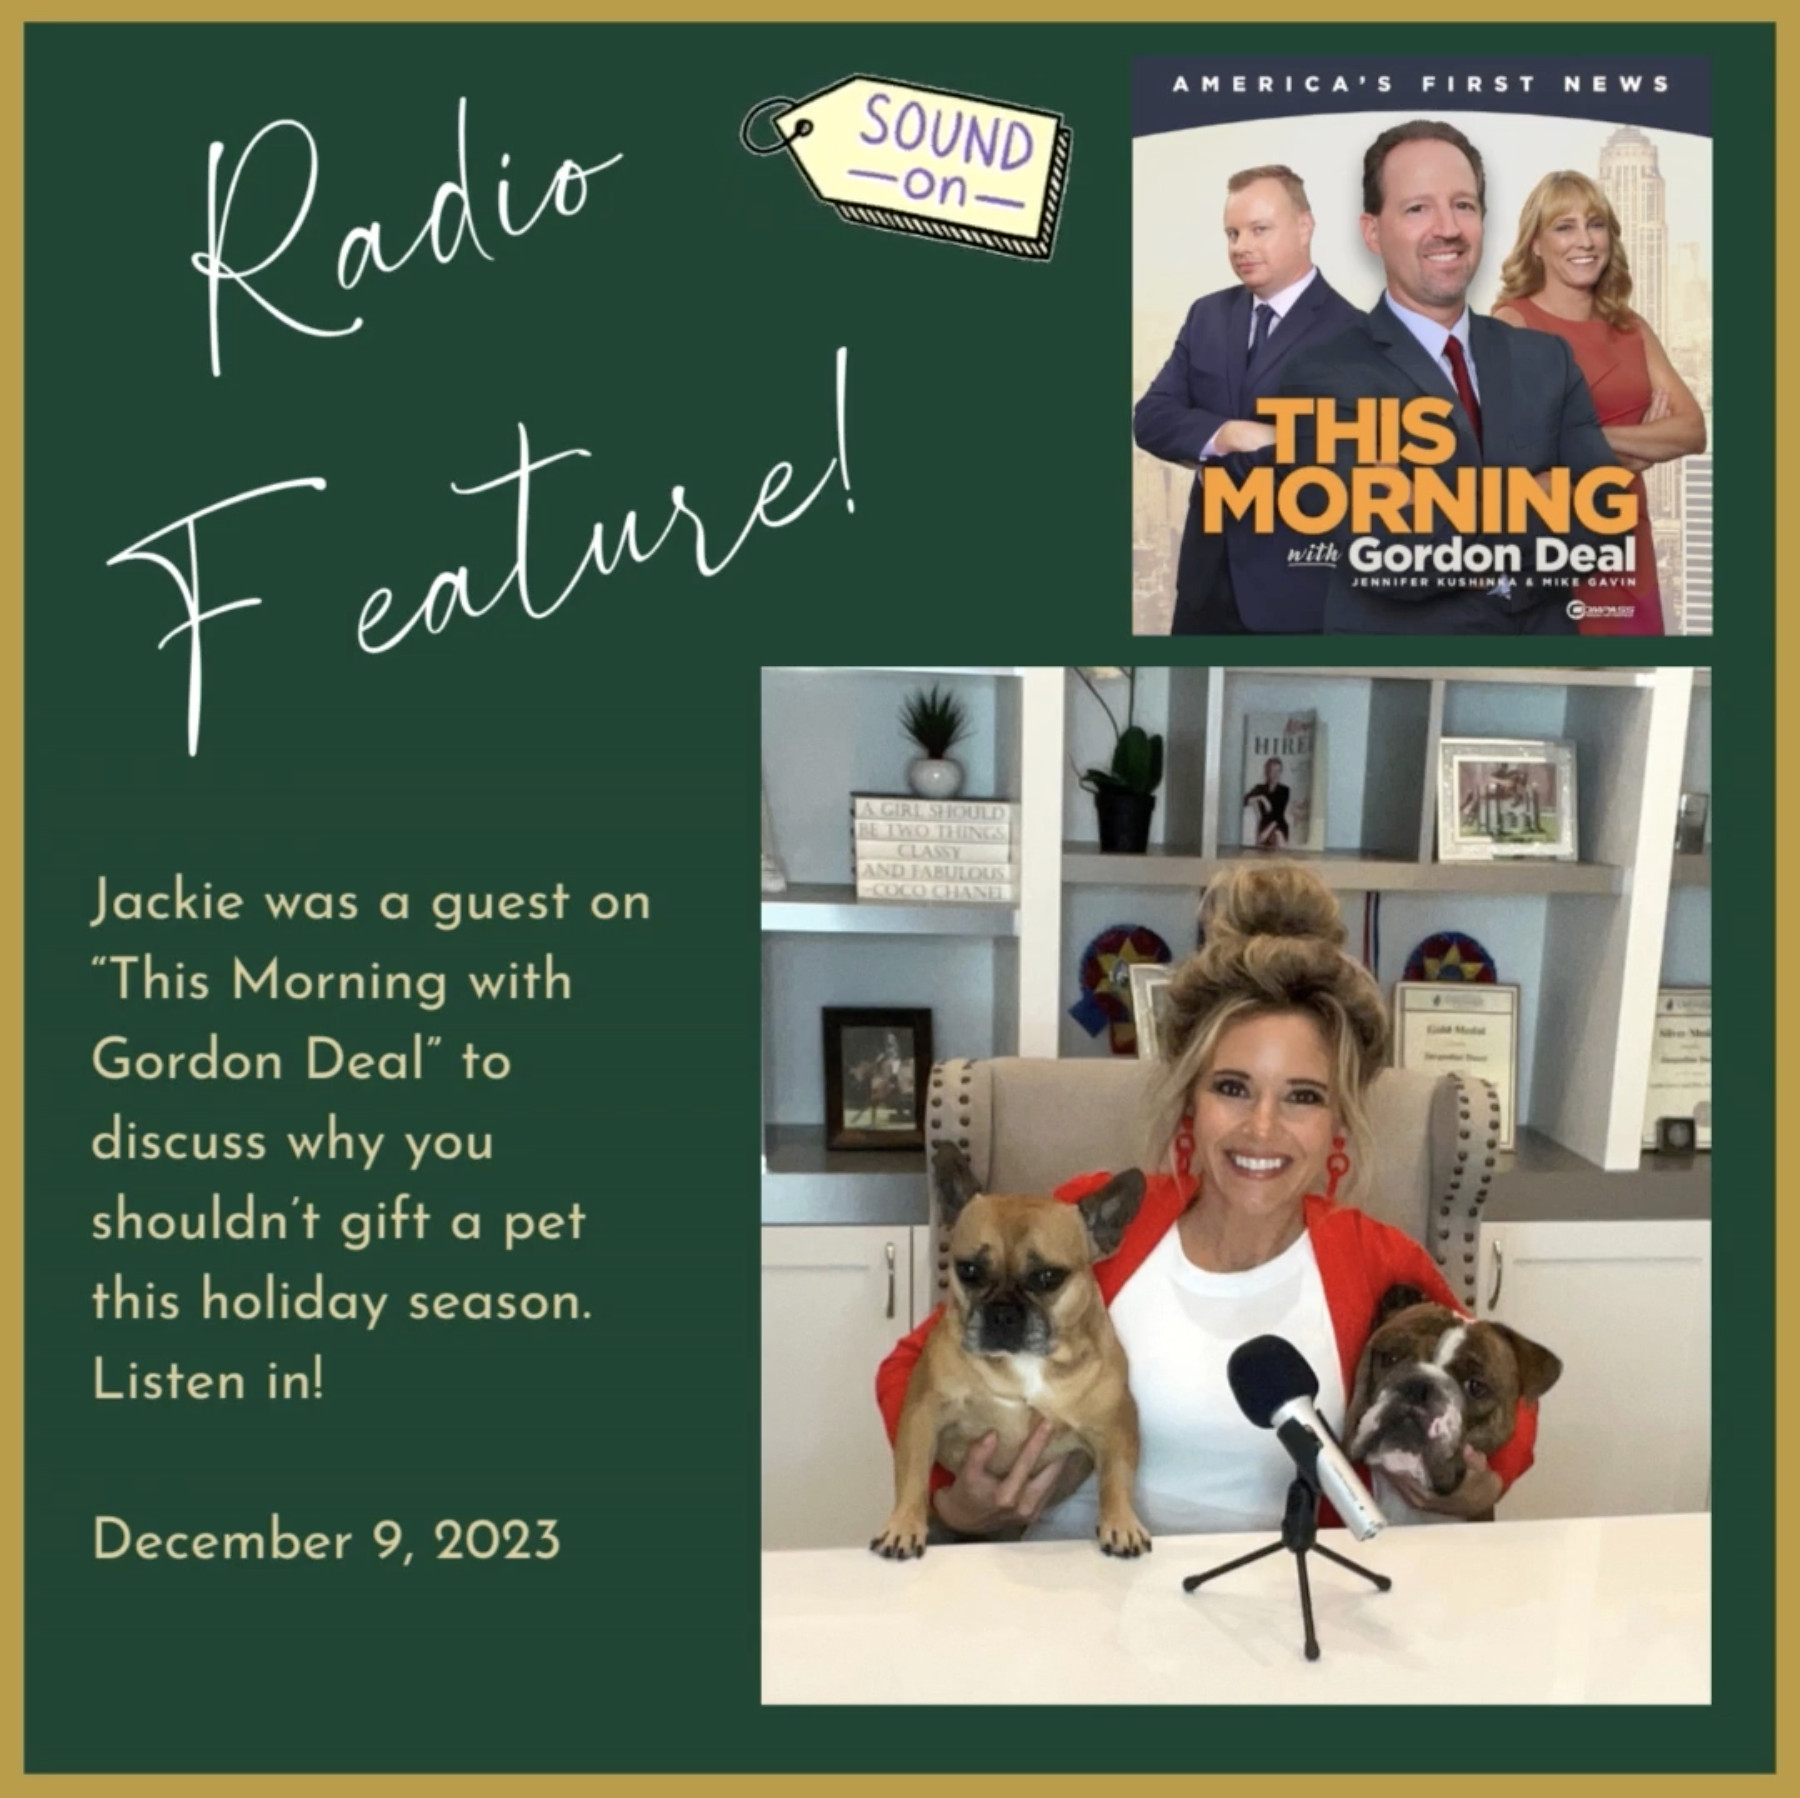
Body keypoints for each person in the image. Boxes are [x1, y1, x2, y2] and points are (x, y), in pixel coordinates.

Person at [875, 862, 1539, 1542]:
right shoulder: (1098, 1225)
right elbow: (913, 1370)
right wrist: (955, 1504)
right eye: (1232, 1087)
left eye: (1302, 1097)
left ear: (1340, 1117)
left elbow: (1505, 1389)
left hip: (1288, 1604)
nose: (1261, 1128)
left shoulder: (1376, 1259)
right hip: (1074, 1595)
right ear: (1189, 1094)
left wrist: (1476, 1484)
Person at [1279, 121, 1618, 636]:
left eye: (1463, 205)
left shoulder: (1548, 359)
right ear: (1372, 231)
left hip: (1547, 663)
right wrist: (1537, 493)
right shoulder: (1322, 375)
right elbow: (1388, 555)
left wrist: (1439, 500)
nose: (1449, 228)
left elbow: (1604, 521)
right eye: (1418, 208)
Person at [1134, 166, 1362, 634]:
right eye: (1232, 233)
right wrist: (1233, 434)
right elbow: (1150, 418)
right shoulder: (1208, 315)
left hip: (1294, 595)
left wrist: (1206, 451)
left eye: (1259, 229)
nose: (1241, 246)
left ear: (1304, 226)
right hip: (1202, 590)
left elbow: (1329, 460)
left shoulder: (1354, 333)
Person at [1492, 170, 1707, 638]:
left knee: (1633, 690)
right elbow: (1518, 461)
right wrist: (1639, 448)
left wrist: (1586, 441)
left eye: (1595, 224)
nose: (1584, 240)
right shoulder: (1513, 325)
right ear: (1534, 243)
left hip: (1631, 538)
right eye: (1563, 226)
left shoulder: (1631, 326)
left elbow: (1692, 431)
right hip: (1555, 544)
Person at [1241, 756, 1291, 847]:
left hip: (1278, 824)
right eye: (1273, 771)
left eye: (1278, 771)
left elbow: (1279, 814)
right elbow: (1243, 801)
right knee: (1272, 836)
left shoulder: (1285, 790)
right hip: (1264, 823)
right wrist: (1261, 798)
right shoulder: (1260, 788)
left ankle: (1282, 859)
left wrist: (1265, 833)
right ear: (1267, 772)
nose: (1276, 774)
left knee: (1277, 834)